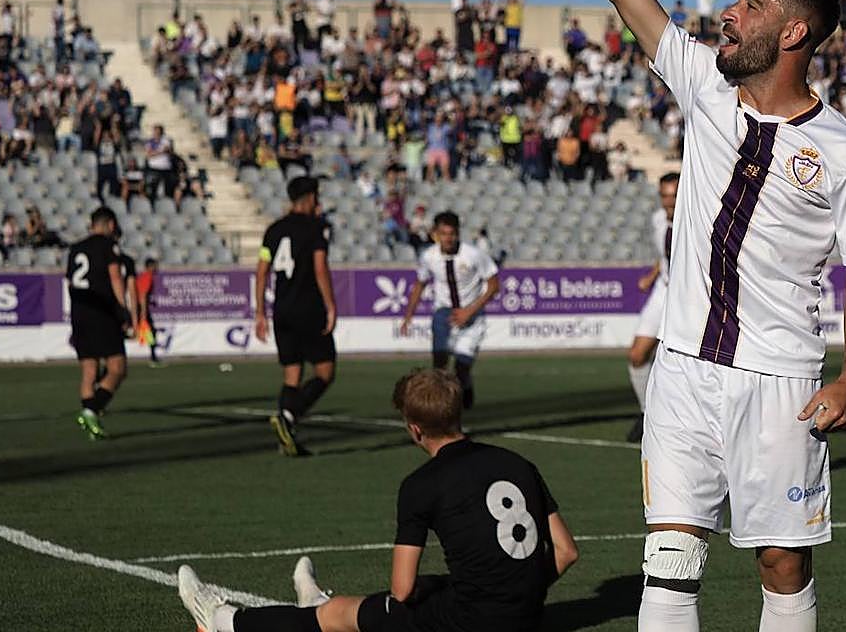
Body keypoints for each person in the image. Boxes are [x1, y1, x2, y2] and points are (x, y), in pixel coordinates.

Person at [566, 0, 846, 632]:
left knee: (781, 563)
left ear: (793, 32)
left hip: (778, 382)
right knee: (670, 563)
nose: (728, 14)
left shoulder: (845, 152)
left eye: (750, 3)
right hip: (682, 374)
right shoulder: (704, 84)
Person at [178, 368, 579, 632]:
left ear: (415, 429)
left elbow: (401, 591)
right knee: (433, 586)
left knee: (339, 615)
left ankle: (221, 619)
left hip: (464, 623)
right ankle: (310, 602)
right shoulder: (520, 463)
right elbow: (565, 553)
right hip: (527, 618)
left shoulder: (421, 484)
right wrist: (513, 594)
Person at [255, 176, 338, 457]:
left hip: (282, 310)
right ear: (311, 197)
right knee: (325, 371)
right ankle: (288, 417)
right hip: (308, 308)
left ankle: (286, 439)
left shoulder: (273, 230)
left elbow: (262, 270)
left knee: (292, 375)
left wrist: (259, 312)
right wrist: (330, 305)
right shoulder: (316, 228)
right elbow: (319, 268)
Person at [398, 212, 500, 410]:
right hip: (443, 313)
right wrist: (408, 316)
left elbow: (494, 285)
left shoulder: (473, 254)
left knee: (461, 368)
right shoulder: (428, 256)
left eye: (452, 234)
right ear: (436, 234)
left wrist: (469, 311)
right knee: (439, 365)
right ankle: (440, 408)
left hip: (471, 316)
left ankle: (466, 390)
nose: (448, 238)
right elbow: (420, 284)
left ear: (458, 234)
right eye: (443, 234)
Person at [66, 207, 134, 440]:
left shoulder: (75, 249)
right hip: (102, 312)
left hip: (80, 312)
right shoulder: (107, 245)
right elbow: (115, 277)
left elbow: (70, 283)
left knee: (89, 371)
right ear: (111, 225)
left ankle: (92, 428)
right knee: (118, 367)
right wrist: (122, 309)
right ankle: (90, 411)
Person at [625, 172, 679, 442]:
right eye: (664, 195)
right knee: (637, 355)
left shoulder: (695, 219)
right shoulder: (657, 220)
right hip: (663, 289)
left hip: (687, 295)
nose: (668, 201)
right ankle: (648, 413)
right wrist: (652, 274)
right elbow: (664, 254)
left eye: (673, 195)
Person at [137, 257, 160, 364]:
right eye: (154, 265)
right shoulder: (147, 277)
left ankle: (153, 355)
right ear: (149, 267)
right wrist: (143, 312)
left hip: (140, 307)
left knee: (150, 332)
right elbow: (143, 295)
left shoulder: (144, 276)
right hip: (140, 308)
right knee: (151, 331)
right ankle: (153, 356)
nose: (156, 268)